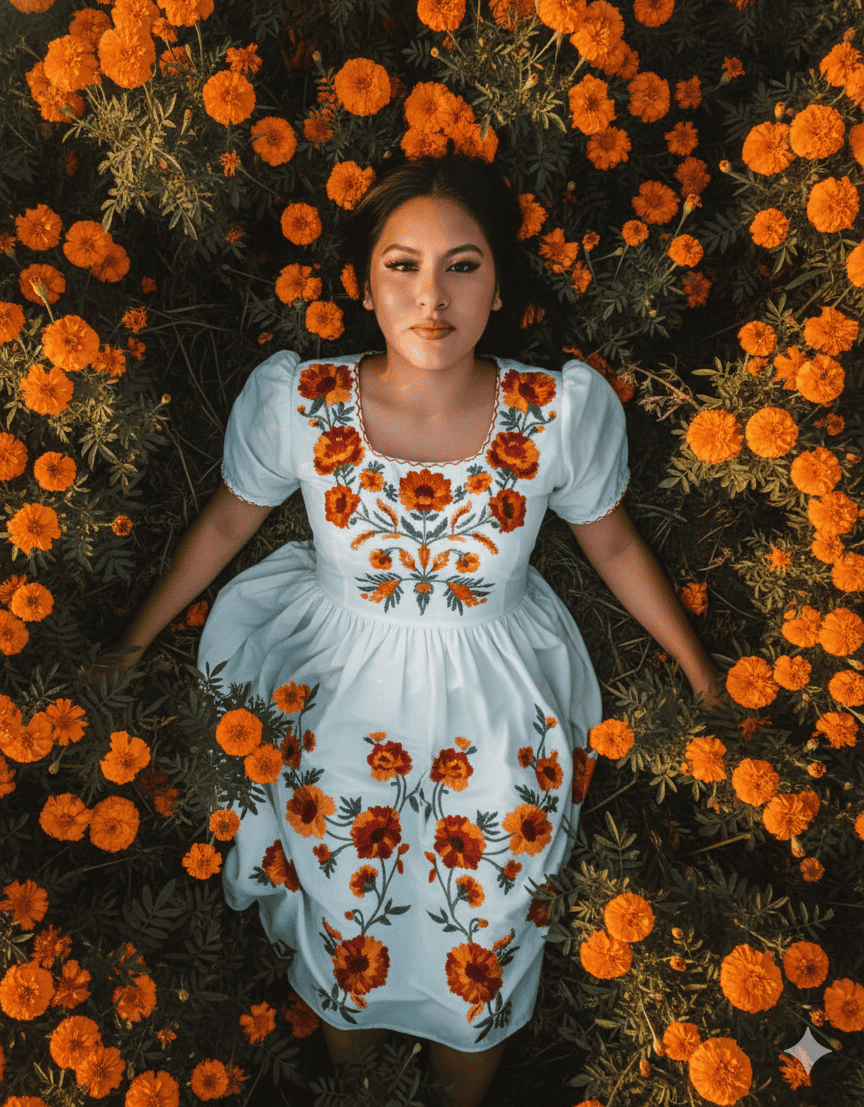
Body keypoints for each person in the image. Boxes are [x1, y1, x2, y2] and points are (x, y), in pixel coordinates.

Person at [99, 152, 723, 1107]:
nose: (432, 295)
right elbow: (228, 520)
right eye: (403, 265)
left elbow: (616, 549)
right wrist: (132, 643)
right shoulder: (305, 404)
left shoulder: (551, 411)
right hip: (340, 686)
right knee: (349, 898)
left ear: (500, 284)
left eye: (462, 265)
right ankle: (362, 1081)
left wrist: (703, 679)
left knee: (491, 916)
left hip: (498, 697)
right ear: (361, 284)